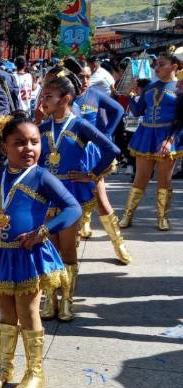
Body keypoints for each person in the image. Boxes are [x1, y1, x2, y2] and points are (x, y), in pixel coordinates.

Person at [0, 112, 81, 388]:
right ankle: (5, 365)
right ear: (4, 148)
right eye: (20, 142)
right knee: (5, 312)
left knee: (28, 312)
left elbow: (72, 208)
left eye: (34, 142)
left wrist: (44, 231)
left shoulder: (42, 177)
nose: (29, 148)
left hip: (28, 254)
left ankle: (35, 371)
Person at [37, 68, 120, 322]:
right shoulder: (41, 128)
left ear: (65, 98)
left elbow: (111, 149)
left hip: (70, 196)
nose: (44, 101)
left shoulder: (80, 125)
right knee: (49, 248)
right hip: (45, 196)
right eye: (43, 95)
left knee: (69, 250)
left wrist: (92, 174)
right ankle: (50, 298)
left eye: (49, 96)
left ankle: (67, 302)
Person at [74, 63, 132, 264]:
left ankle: (118, 243)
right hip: (65, 155)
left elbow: (117, 110)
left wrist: (105, 133)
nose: (84, 81)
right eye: (80, 76)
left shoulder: (94, 95)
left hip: (89, 155)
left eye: (88, 77)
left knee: (100, 199)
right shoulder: (62, 97)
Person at [120, 52, 181, 232]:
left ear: (174, 66)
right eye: (156, 65)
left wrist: (170, 140)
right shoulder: (149, 87)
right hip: (146, 135)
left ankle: (163, 217)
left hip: (168, 137)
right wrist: (132, 95)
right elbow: (138, 111)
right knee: (141, 177)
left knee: (164, 180)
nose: (156, 68)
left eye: (161, 64)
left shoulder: (180, 87)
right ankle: (127, 215)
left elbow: (182, 119)